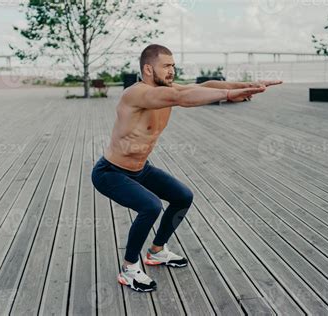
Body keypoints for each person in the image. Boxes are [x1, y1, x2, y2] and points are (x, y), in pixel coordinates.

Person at [91, 44, 282, 292]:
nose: (172, 71)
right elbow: (181, 98)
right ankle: (129, 269)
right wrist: (227, 97)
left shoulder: (166, 89)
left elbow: (202, 87)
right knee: (150, 206)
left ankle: (157, 251)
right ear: (148, 69)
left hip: (140, 168)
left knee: (182, 197)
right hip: (111, 172)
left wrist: (245, 87)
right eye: (166, 66)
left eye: (173, 65)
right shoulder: (136, 94)